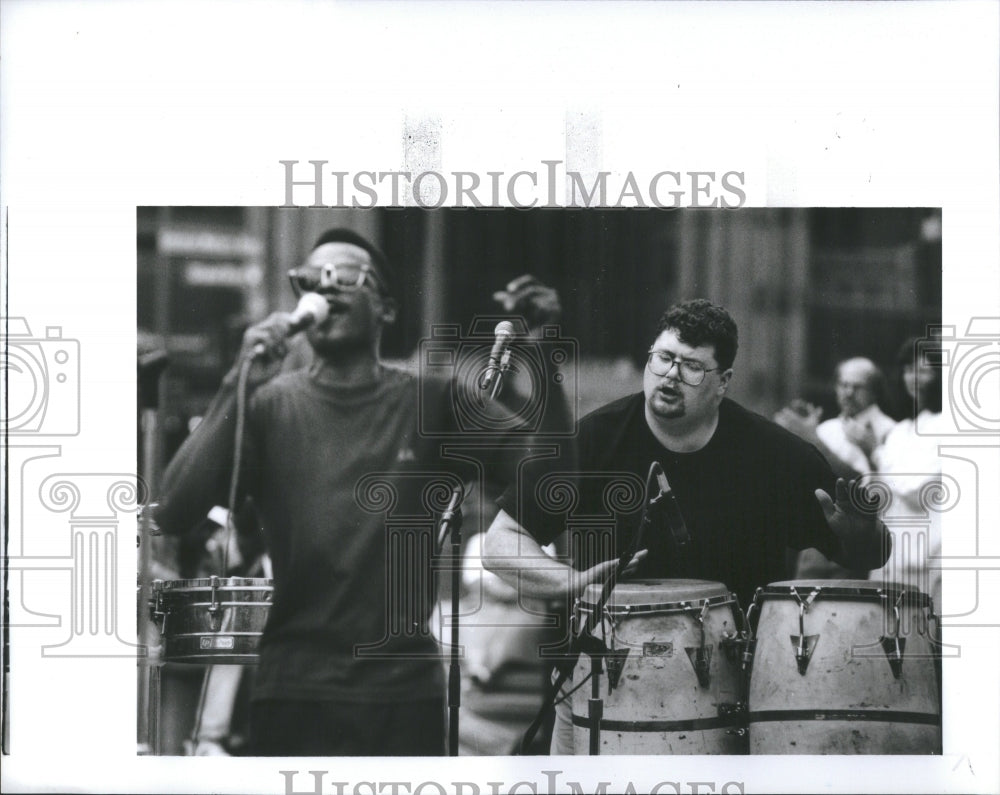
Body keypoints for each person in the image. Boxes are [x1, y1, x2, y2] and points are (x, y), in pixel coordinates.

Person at [155, 228, 563, 756]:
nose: (328, 288)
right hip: (290, 694)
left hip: (401, 699)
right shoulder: (268, 406)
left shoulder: (431, 400)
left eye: (347, 276)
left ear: (387, 310)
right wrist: (240, 378)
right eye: (312, 279)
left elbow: (551, 483)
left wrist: (543, 358)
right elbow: (173, 509)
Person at [482, 298, 892, 754]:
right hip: (598, 687)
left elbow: (870, 554)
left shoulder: (777, 457)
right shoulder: (593, 440)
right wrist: (571, 582)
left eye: (692, 366)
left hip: (732, 698)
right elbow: (500, 543)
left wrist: (862, 535)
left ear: (723, 383)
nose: (671, 374)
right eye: (664, 358)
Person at [774, 357, 896, 578]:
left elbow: (865, 488)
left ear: (875, 391)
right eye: (843, 385)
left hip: (858, 540)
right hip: (817, 539)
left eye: (857, 387)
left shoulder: (890, 431)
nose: (848, 393)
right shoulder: (827, 428)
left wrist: (812, 438)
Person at [849, 338, 945, 611]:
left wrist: (875, 451)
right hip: (891, 558)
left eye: (923, 370)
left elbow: (916, 489)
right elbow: (881, 493)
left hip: (927, 560)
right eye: (907, 370)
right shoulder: (901, 430)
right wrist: (872, 455)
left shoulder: (946, 425)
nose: (912, 378)